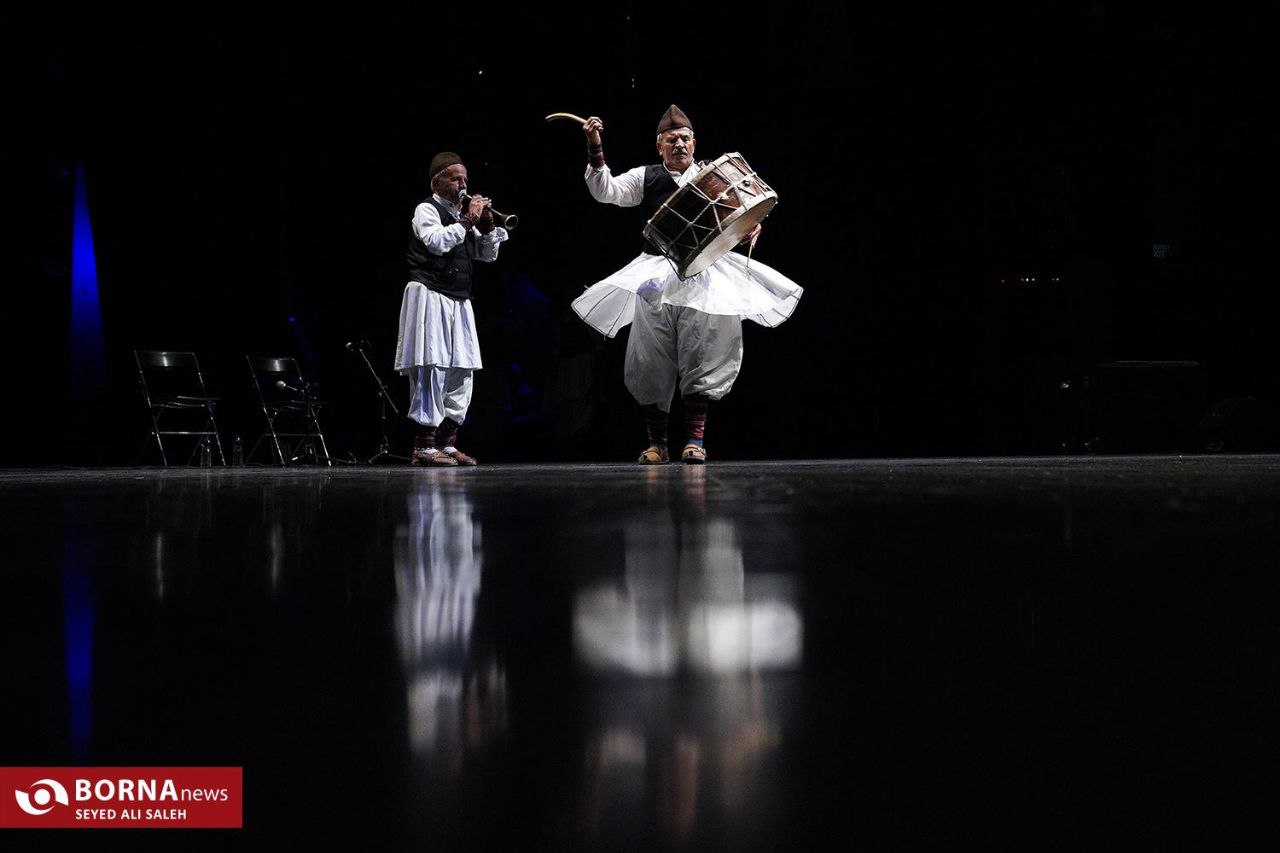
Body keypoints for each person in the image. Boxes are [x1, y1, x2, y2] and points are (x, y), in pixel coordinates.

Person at [572, 105, 803, 464]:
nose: (679, 144)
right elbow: (606, 191)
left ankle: (695, 440)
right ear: (659, 146)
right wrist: (595, 147)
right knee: (652, 354)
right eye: (671, 140)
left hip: (706, 274)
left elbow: (740, 218)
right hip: (656, 274)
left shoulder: (714, 176)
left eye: (684, 139)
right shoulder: (645, 177)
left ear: (694, 143)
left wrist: (749, 228)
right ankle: (657, 444)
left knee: (705, 349)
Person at [394, 151, 509, 467]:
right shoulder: (425, 210)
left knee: (463, 369)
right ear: (437, 181)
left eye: (465, 179)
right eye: (456, 178)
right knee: (432, 366)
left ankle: (446, 444)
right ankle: (423, 447)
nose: (463, 184)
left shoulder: (463, 217)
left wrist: (486, 227)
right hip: (429, 295)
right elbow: (436, 242)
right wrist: (469, 219)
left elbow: (486, 257)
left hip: (458, 299)